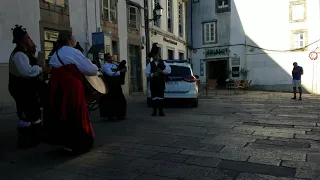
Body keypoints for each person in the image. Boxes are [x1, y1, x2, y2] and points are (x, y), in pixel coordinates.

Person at [43, 30, 99, 154]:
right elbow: (90, 69)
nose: (75, 40)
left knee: (62, 114)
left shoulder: (55, 53)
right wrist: (96, 68)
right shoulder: (73, 52)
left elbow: (52, 68)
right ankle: (78, 143)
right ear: (69, 39)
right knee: (75, 113)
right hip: (72, 88)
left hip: (57, 88)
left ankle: (66, 142)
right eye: (73, 37)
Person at [8, 25, 44, 148]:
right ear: (22, 40)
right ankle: (25, 140)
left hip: (28, 89)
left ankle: (35, 137)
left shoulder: (26, 53)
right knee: (26, 114)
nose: (30, 40)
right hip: (21, 89)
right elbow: (26, 72)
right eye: (28, 38)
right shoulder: (19, 55)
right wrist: (40, 69)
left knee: (34, 112)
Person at [146, 43, 171, 116]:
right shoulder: (150, 64)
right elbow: (147, 73)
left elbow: (169, 70)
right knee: (154, 97)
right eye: (154, 56)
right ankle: (154, 111)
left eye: (156, 55)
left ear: (158, 55)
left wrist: (162, 72)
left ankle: (161, 111)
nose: (156, 57)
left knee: (161, 97)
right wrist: (153, 74)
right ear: (153, 56)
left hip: (160, 83)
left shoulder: (163, 62)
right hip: (153, 83)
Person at [99, 53, 127, 120]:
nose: (111, 59)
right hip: (110, 86)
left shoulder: (115, 65)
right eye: (109, 58)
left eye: (111, 57)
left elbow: (121, 70)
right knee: (110, 101)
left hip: (116, 85)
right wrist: (120, 72)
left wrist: (122, 68)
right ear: (106, 59)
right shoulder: (105, 66)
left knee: (121, 100)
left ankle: (120, 115)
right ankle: (110, 116)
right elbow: (110, 74)